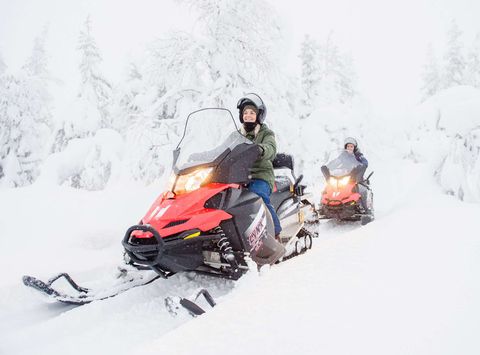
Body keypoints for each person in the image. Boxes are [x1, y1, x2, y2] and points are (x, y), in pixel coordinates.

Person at [236, 93, 282, 238]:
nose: (248, 115)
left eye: (252, 113)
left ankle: (275, 232)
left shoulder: (266, 133)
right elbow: (224, 148)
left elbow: (271, 148)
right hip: (240, 177)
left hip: (261, 176)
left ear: (259, 115)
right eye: (245, 113)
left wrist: (261, 149)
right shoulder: (237, 135)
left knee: (257, 196)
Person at [344, 137, 372, 214]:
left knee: (361, 189)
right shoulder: (343, 156)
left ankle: (366, 210)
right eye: (348, 146)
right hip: (345, 177)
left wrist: (362, 165)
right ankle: (324, 207)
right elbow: (335, 162)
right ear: (345, 147)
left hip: (357, 177)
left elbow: (365, 161)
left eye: (351, 146)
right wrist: (327, 167)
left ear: (354, 147)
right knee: (329, 187)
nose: (349, 148)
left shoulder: (358, 155)